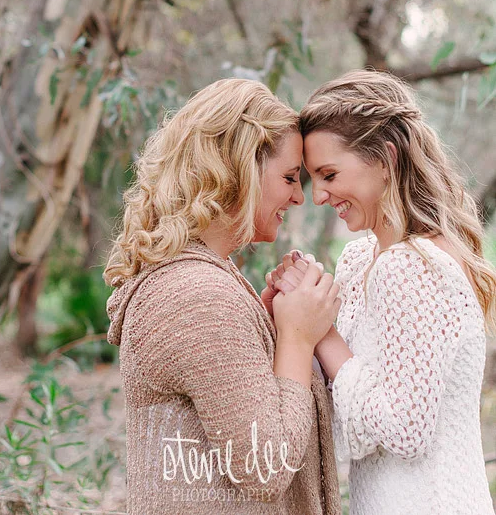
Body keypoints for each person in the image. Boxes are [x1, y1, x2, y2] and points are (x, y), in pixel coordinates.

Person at [104, 78, 342, 515]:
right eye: (289, 177)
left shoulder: (202, 280)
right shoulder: (197, 296)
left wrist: (270, 326)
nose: (297, 196)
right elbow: (264, 465)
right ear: (238, 169)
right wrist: (295, 337)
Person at [264, 69, 496, 515]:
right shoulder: (360, 259)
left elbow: (404, 431)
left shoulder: (414, 266)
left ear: (385, 158)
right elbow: (357, 416)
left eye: (329, 174)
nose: (319, 196)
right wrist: (298, 311)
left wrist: (324, 331)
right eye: (314, 178)